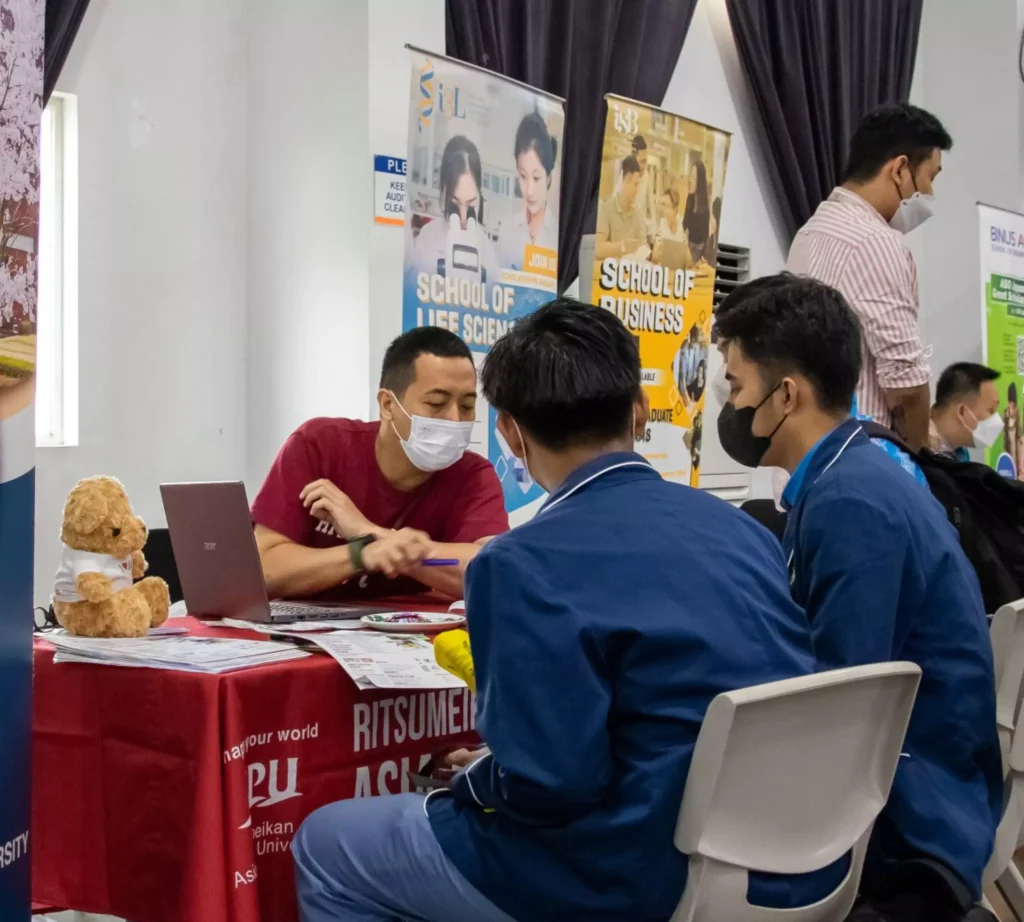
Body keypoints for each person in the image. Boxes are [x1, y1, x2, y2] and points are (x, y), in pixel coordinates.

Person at [292, 297, 848, 922]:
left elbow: (551, 788)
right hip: (797, 859)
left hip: (624, 874)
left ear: (510, 433)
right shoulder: (745, 532)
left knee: (327, 844)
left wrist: (480, 779)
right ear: (639, 410)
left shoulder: (520, 564)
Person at [715, 273, 1001, 922]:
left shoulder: (851, 503)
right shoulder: (857, 469)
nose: (729, 404)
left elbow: (836, 707)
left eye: (735, 385)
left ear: (786, 394)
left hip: (911, 834)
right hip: (918, 797)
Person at [251, 327, 508, 603]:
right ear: (387, 405)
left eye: (467, 406)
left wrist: (370, 534)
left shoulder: (473, 476)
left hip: (411, 630)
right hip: (307, 627)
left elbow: (492, 574)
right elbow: (264, 571)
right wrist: (361, 554)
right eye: (437, 403)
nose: (455, 420)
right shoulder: (319, 445)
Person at [786, 103, 952, 451]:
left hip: (806, 457)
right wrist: (924, 456)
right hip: (863, 458)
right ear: (900, 169)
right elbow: (906, 384)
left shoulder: (810, 231)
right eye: (931, 177)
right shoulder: (876, 242)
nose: (930, 194)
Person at [411, 135, 500, 285]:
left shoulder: (487, 251)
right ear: (443, 192)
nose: (463, 217)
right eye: (454, 205)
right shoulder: (426, 239)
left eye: (471, 206)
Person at [495, 112, 559, 270]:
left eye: (536, 178)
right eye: (523, 176)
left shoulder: (558, 234)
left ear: (549, 178)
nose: (530, 191)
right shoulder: (507, 229)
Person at [929, 362, 1001, 461]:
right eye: (990, 410)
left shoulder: (960, 453)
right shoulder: (917, 456)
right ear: (962, 412)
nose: (998, 421)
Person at [595, 154, 647, 260]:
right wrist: (622, 246)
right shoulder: (605, 208)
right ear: (626, 179)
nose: (637, 190)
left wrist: (653, 256)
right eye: (635, 184)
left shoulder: (638, 214)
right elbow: (597, 249)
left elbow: (643, 247)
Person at [682, 159, 710, 264]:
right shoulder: (690, 197)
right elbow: (684, 223)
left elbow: (705, 235)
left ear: (700, 181)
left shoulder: (704, 205)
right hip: (688, 245)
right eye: (691, 176)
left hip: (698, 249)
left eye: (694, 178)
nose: (690, 180)